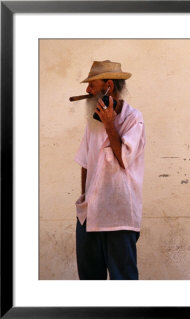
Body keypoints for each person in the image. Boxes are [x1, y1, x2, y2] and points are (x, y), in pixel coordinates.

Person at [74, 60, 146, 280]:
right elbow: (85, 162)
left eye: (92, 85)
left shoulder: (134, 118)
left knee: (123, 282)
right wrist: (85, 199)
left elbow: (124, 160)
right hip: (90, 215)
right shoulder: (91, 122)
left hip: (119, 216)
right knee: (89, 283)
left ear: (108, 86)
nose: (87, 90)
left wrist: (110, 125)